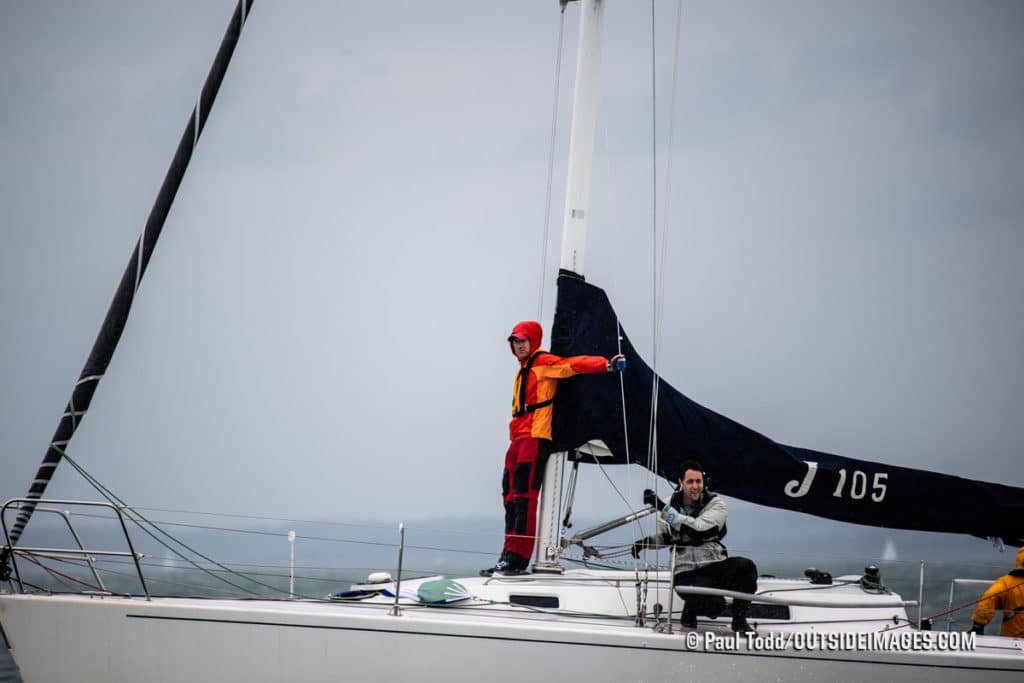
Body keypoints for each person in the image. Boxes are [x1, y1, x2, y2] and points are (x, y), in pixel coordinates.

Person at [481, 320, 625, 576]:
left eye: (523, 340)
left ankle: (518, 558)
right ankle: (506, 554)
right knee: (510, 500)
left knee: (524, 499)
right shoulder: (522, 368)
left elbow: (574, 364)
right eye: (515, 341)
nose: (519, 345)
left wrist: (606, 364)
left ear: (533, 341)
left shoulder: (543, 362)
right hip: (516, 440)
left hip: (535, 438)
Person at [632, 460, 757, 632]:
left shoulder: (716, 504)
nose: (696, 486)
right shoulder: (668, 505)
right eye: (690, 482)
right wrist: (645, 543)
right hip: (686, 571)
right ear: (680, 483)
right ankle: (692, 607)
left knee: (745, 566)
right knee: (714, 607)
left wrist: (662, 508)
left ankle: (739, 619)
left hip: (714, 564)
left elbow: (698, 530)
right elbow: (669, 537)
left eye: (699, 481)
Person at [970, 546, 1024, 637]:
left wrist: (978, 625)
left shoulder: (1006, 582)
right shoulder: (1006, 581)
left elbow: (989, 597)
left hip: (1012, 638)